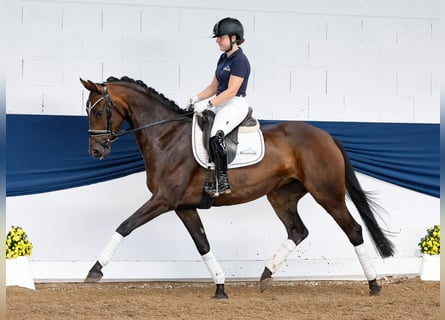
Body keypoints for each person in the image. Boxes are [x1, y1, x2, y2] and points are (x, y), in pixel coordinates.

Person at [187, 17, 251, 196]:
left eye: (220, 37)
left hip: (234, 104)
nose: (217, 41)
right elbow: (213, 87)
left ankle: (223, 181)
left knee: (216, 136)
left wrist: (208, 104)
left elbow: (231, 91)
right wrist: (196, 98)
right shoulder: (223, 58)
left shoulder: (240, 60)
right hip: (220, 102)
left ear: (233, 38)